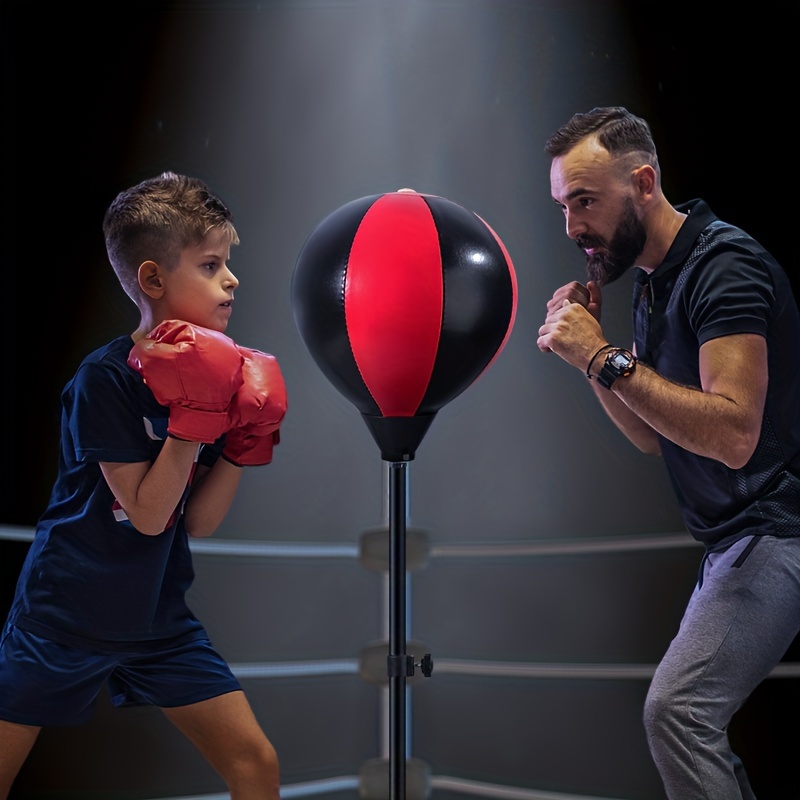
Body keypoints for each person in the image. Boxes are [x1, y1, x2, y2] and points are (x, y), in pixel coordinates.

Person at [537, 106, 800, 799]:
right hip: (735, 544)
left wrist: (599, 353)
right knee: (682, 714)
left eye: (586, 201)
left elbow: (733, 436)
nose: (572, 226)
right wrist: (594, 359)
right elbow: (658, 436)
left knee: (678, 712)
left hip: (778, 532)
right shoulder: (658, 281)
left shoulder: (725, 266)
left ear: (644, 182)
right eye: (565, 205)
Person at [0, 172, 287, 800]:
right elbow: (149, 515)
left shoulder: (218, 373)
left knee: (254, 763)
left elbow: (195, 523)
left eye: (228, 263)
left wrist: (242, 443)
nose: (231, 279)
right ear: (153, 279)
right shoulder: (103, 381)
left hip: (156, 618)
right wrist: (194, 424)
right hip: (64, 616)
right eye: (210, 265)